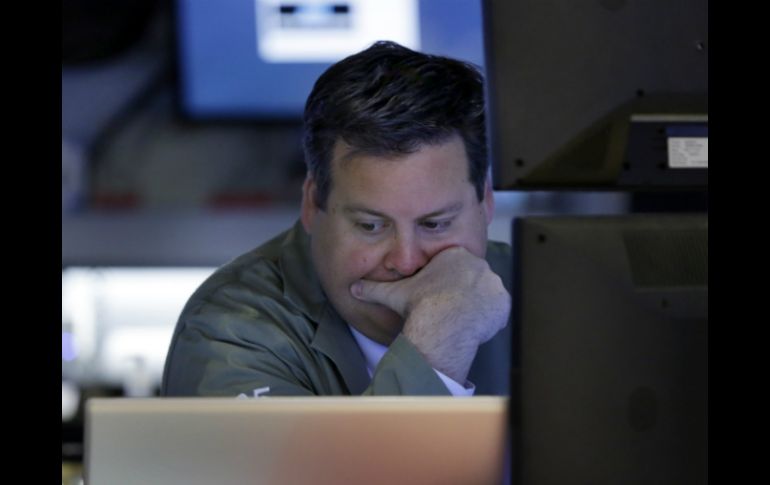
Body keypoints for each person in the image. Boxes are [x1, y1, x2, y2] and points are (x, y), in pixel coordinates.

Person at [162, 40, 512, 397]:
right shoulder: (229, 332)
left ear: (485, 201)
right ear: (312, 205)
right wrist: (441, 340)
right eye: (371, 226)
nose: (406, 261)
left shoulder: (537, 291)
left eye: (435, 224)